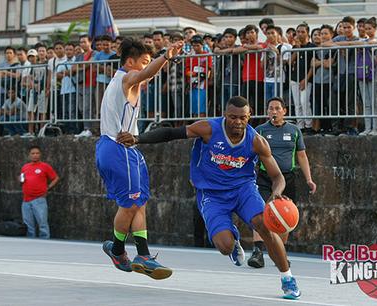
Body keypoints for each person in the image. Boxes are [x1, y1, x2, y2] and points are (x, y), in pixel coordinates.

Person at [116, 96, 302, 300]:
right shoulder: (208, 129)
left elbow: (278, 177)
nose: (237, 122)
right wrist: (138, 138)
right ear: (225, 115)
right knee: (224, 246)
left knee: (263, 225)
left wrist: (275, 195)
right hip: (212, 194)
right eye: (233, 117)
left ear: (249, 117)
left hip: (243, 190)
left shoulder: (257, 141)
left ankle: (288, 279)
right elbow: (171, 133)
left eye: (242, 118)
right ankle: (232, 240)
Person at [96, 37, 183, 279]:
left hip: (124, 148)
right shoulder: (126, 78)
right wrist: (166, 56)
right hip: (117, 148)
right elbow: (143, 75)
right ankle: (117, 249)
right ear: (131, 62)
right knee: (131, 203)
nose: (147, 67)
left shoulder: (127, 82)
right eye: (144, 62)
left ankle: (142, 254)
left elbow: (145, 76)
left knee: (139, 202)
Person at [247, 97, 316, 268]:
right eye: (271, 108)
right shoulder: (260, 131)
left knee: (285, 213)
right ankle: (257, 251)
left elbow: (301, 155)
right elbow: (250, 155)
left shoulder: (294, 131)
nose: (274, 112)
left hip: (287, 178)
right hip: (264, 177)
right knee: (259, 212)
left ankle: (281, 252)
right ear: (268, 111)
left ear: (284, 111)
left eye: (278, 108)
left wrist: (309, 179)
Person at [20, 145, 59, 239]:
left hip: (39, 199)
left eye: (37, 153)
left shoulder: (45, 166)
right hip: (26, 199)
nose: (35, 155)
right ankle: (30, 241)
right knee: (28, 224)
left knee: (42, 223)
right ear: (29, 155)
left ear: (40, 155)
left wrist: (48, 187)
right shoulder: (25, 167)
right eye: (33, 153)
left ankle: (45, 241)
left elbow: (55, 178)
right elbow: (21, 179)